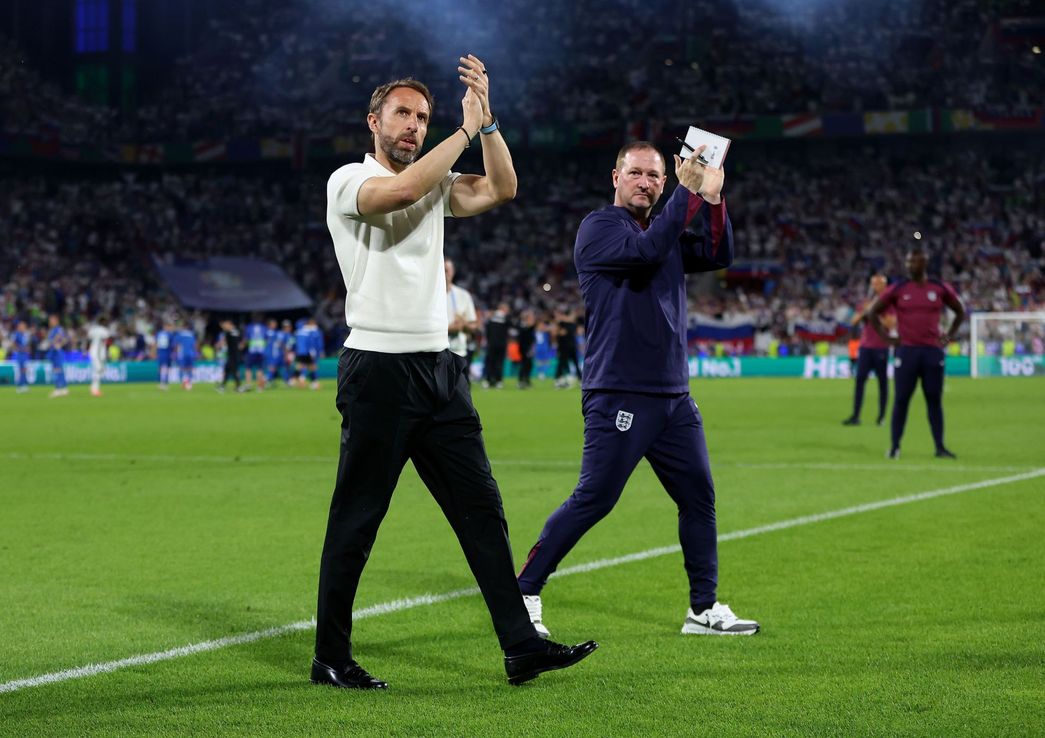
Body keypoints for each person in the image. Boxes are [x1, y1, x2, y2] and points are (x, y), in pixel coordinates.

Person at [313, 60, 596, 691]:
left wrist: (487, 124)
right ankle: (330, 655)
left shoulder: (437, 181)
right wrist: (461, 133)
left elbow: (503, 188)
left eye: (422, 117)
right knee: (358, 519)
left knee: (481, 509)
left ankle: (520, 645)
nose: (413, 126)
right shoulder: (348, 180)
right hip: (378, 371)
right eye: (402, 114)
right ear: (373, 121)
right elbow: (400, 193)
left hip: (441, 371)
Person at [517, 141, 760, 638]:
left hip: (673, 396)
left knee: (699, 499)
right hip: (619, 392)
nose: (644, 182)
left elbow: (719, 253)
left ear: (664, 182)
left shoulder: (665, 229)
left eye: (653, 176)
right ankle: (523, 592)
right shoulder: (599, 228)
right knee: (596, 498)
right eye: (635, 173)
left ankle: (703, 609)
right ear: (616, 177)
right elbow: (647, 253)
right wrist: (688, 195)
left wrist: (714, 199)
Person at [869, 248, 964, 459]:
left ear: (925, 264)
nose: (911, 266)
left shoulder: (939, 288)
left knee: (934, 400)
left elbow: (959, 311)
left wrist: (948, 336)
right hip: (907, 352)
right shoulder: (898, 288)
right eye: (909, 262)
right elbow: (873, 312)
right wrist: (887, 338)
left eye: (915, 262)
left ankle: (940, 447)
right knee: (901, 400)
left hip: (932, 352)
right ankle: (895, 446)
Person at [842, 274, 895, 426]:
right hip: (865, 347)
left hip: (881, 347)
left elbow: (890, 324)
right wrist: (864, 311)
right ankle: (856, 415)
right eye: (873, 283)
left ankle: (881, 416)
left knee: (882, 382)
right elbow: (853, 321)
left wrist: (874, 312)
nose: (874, 286)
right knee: (859, 381)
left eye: (878, 284)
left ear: (884, 286)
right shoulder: (867, 302)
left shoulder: (888, 302)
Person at [445, 258, 479, 380]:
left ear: (453, 272)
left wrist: (463, 324)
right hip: (435, 354)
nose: (444, 274)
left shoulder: (463, 295)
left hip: (458, 353)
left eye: (447, 270)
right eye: (441, 270)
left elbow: (474, 326)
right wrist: (450, 328)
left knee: (461, 390)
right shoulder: (430, 295)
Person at [482, 302, 510, 388]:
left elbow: (487, 330)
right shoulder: (506, 318)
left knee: (490, 362)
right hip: (501, 344)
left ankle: (488, 381)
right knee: (499, 363)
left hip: (491, 343)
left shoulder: (491, 317)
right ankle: (498, 381)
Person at [553, 306, 582, 388]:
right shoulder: (562, 323)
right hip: (563, 347)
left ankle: (579, 379)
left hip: (571, 346)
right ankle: (558, 380)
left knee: (574, 363)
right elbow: (555, 333)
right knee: (562, 363)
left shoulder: (572, 324)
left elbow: (577, 332)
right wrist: (559, 332)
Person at [86, 319, 111, 397]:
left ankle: (94, 387)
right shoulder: (105, 330)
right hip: (98, 353)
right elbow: (107, 342)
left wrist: (86, 349)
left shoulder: (92, 330)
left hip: (93, 351)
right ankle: (94, 389)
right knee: (98, 369)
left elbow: (88, 339)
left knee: (99, 370)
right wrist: (107, 353)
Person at [217, 319, 244, 393]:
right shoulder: (236, 331)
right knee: (228, 370)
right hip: (235, 354)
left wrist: (219, 345)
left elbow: (224, 341)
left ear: (230, 324)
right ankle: (223, 386)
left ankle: (238, 387)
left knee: (233, 370)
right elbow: (242, 341)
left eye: (226, 325)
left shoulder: (228, 333)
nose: (225, 326)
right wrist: (240, 346)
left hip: (232, 355)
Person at [46, 314, 69, 398]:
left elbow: (63, 338)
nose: (50, 322)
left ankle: (58, 389)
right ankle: (64, 389)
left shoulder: (58, 329)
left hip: (56, 352)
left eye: (52, 320)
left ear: (56, 321)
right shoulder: (52, 330)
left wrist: (58, 344)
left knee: (58, 370)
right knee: (59, 370)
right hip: (53, 352)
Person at [244, 316, 268, 390]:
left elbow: (246, 339)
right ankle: (259, 386)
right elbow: (266, 339)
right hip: (261, 350)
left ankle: (248, 385)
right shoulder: (264, 327)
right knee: (259, 368)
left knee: (248, 368)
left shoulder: (249, 327)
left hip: (252, 350)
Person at [516, 308, 537, 389]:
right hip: (524, 348)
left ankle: (526, 380)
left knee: (529, 364)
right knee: (524, 364)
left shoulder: (530, 326)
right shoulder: (522, 325)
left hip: (530, 347)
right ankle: (521, 381)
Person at [174, 322, 197, 390]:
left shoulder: (180, 334)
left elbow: (176, 344)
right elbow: (194, 345)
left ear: (183, 327)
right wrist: (195, 353)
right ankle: (189, 383)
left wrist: (176, 353)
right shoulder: (191, 334)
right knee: (190, 368)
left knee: (182, 368)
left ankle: (184, 382)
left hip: (182, 353)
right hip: (191, 353)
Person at [12, 320, 31, 393]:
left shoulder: (24, 335)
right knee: (21, 370)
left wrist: (27, 348)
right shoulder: (17, 334)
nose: (23, 327)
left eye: (24, 326)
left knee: (24, 370)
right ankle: (20, 386)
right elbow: (13, 344)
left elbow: (25, 344)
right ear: (19, 327)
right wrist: (19, 349)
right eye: (22, 326)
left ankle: (24, 385)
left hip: (24, 355)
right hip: (20, 355)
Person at [155, 321, 174, 390]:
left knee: (161, 368)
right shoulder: (170, 334)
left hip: (160, 353)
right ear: (167, 327)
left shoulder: (159, 333)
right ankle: (165, 383)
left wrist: (155, 352)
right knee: (166, 368)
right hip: (167, 353)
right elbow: (173, 345)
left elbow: (156, 344)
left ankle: (161, 382)